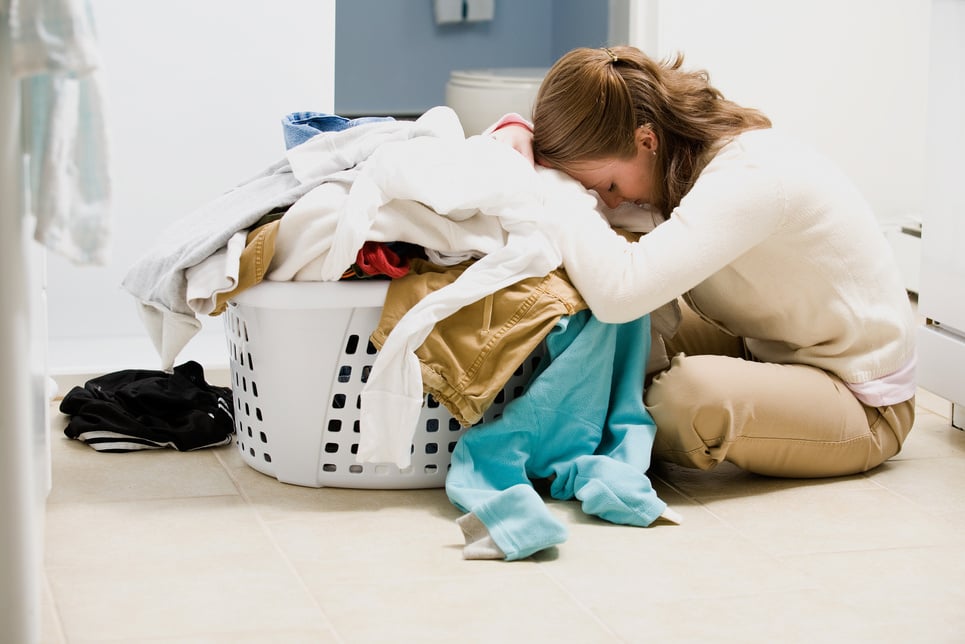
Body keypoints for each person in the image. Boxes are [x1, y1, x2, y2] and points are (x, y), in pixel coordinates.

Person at [489, 45, 917, 478]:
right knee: (598, 338)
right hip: (766, 347)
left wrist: (557, 189)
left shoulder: (750, 176)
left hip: (860, 396)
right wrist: (517, 132)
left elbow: (620, 292)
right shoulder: (671, 163)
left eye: (610, 184)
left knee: (682, 399)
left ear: (646, 140)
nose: (610, 201)